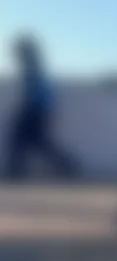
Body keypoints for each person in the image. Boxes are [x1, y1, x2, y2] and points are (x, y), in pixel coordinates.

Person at [5, 35, 76, 180]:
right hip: (39, 109)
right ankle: (68, 166)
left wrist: (29, 109)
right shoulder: (33, 65)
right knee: (36, 143)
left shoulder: (31, 66)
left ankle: (17, 172)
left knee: (23, 140)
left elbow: (35, 90)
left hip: (35, 110)